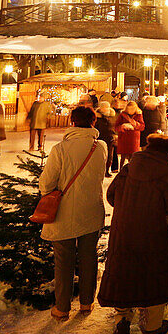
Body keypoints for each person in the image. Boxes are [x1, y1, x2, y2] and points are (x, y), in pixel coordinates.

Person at [98, 132, 168, 334]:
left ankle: (122, 320)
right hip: (152, 231)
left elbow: (111, 195)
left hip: (123, 230)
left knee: (123, 269)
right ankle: (152, 327)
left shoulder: (129, 167)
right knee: (153, 273)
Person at [40, 105, 108, 320]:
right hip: (92, 210)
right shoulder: (101, 147)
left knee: (64, 261)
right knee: (89, 258)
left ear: (72, 122)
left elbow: (46, 184)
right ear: (93, 122)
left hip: (64, 213)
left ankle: (62, 308)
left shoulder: (60, 149)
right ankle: (87, 303)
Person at [95, 102, 118, 176]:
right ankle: (99, 170)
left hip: (110, 138)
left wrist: (115, 134)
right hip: (100, 138)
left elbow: (115, 126)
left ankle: (107, 170)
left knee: (109, 156)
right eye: (103, 107)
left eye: (106, 107)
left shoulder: (112, 116)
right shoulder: (97, 117)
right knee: (100, 155)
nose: (105, 109)